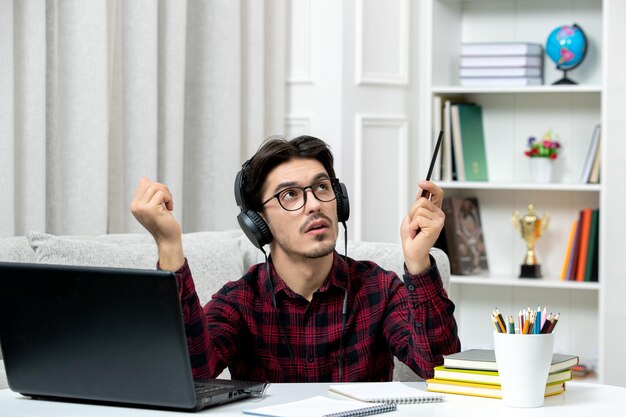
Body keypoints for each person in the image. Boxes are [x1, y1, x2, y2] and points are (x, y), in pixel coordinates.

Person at [130, 135, 460, 383]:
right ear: (258, 223)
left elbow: (438, 366)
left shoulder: (379, 288)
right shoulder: (240, 300)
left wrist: (418, 262)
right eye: (290, 195)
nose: (315, 204)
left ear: (338, 201)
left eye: (322, 188)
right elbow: (191, 375)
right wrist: (168, 244)